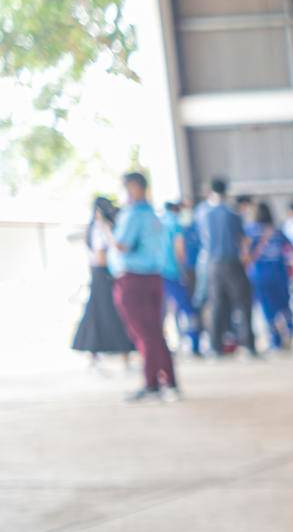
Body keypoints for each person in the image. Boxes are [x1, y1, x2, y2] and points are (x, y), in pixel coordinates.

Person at [108, 172, 178, 402]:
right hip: (154, 277)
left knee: (144, 333)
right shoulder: (154, 215)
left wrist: (107, 227)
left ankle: (152, 384)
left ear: (135, 187)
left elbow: (122, 246)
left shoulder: (132, 215)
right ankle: (169, 380)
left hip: (133, 280)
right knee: (155, 331)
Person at [71, 196, 136, 368]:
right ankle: (121, 353)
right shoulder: (100, 228)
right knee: (111, 314)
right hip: (104, 275)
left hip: (100, 274)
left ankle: (100, 354)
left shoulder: (98, 227)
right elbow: (101, 257)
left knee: (98, 313)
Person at [197, 177, 256, 357]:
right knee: (243, 302)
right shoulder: (232, 213)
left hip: (212, 263)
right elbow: (242, 240)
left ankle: (215, 346)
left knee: (217, 304)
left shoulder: (202, 212)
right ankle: (247, 345)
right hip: (231, 261)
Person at [246, 201, 293, 350]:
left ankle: (276, 341)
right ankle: (291, 331)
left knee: (268, 308)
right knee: (284, 304)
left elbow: (246, 254)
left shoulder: (250, 231)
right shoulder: (278, 231)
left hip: (260, 275)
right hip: (280, 274)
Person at [159, 200, 199, 353]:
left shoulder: (159, 223)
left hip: (158, 272)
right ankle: (194, 343)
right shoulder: (176, 224)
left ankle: (163, 345)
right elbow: (179, 249)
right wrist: (183, 270)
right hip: (173, 272)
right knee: (187, 308)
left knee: (162, 311)